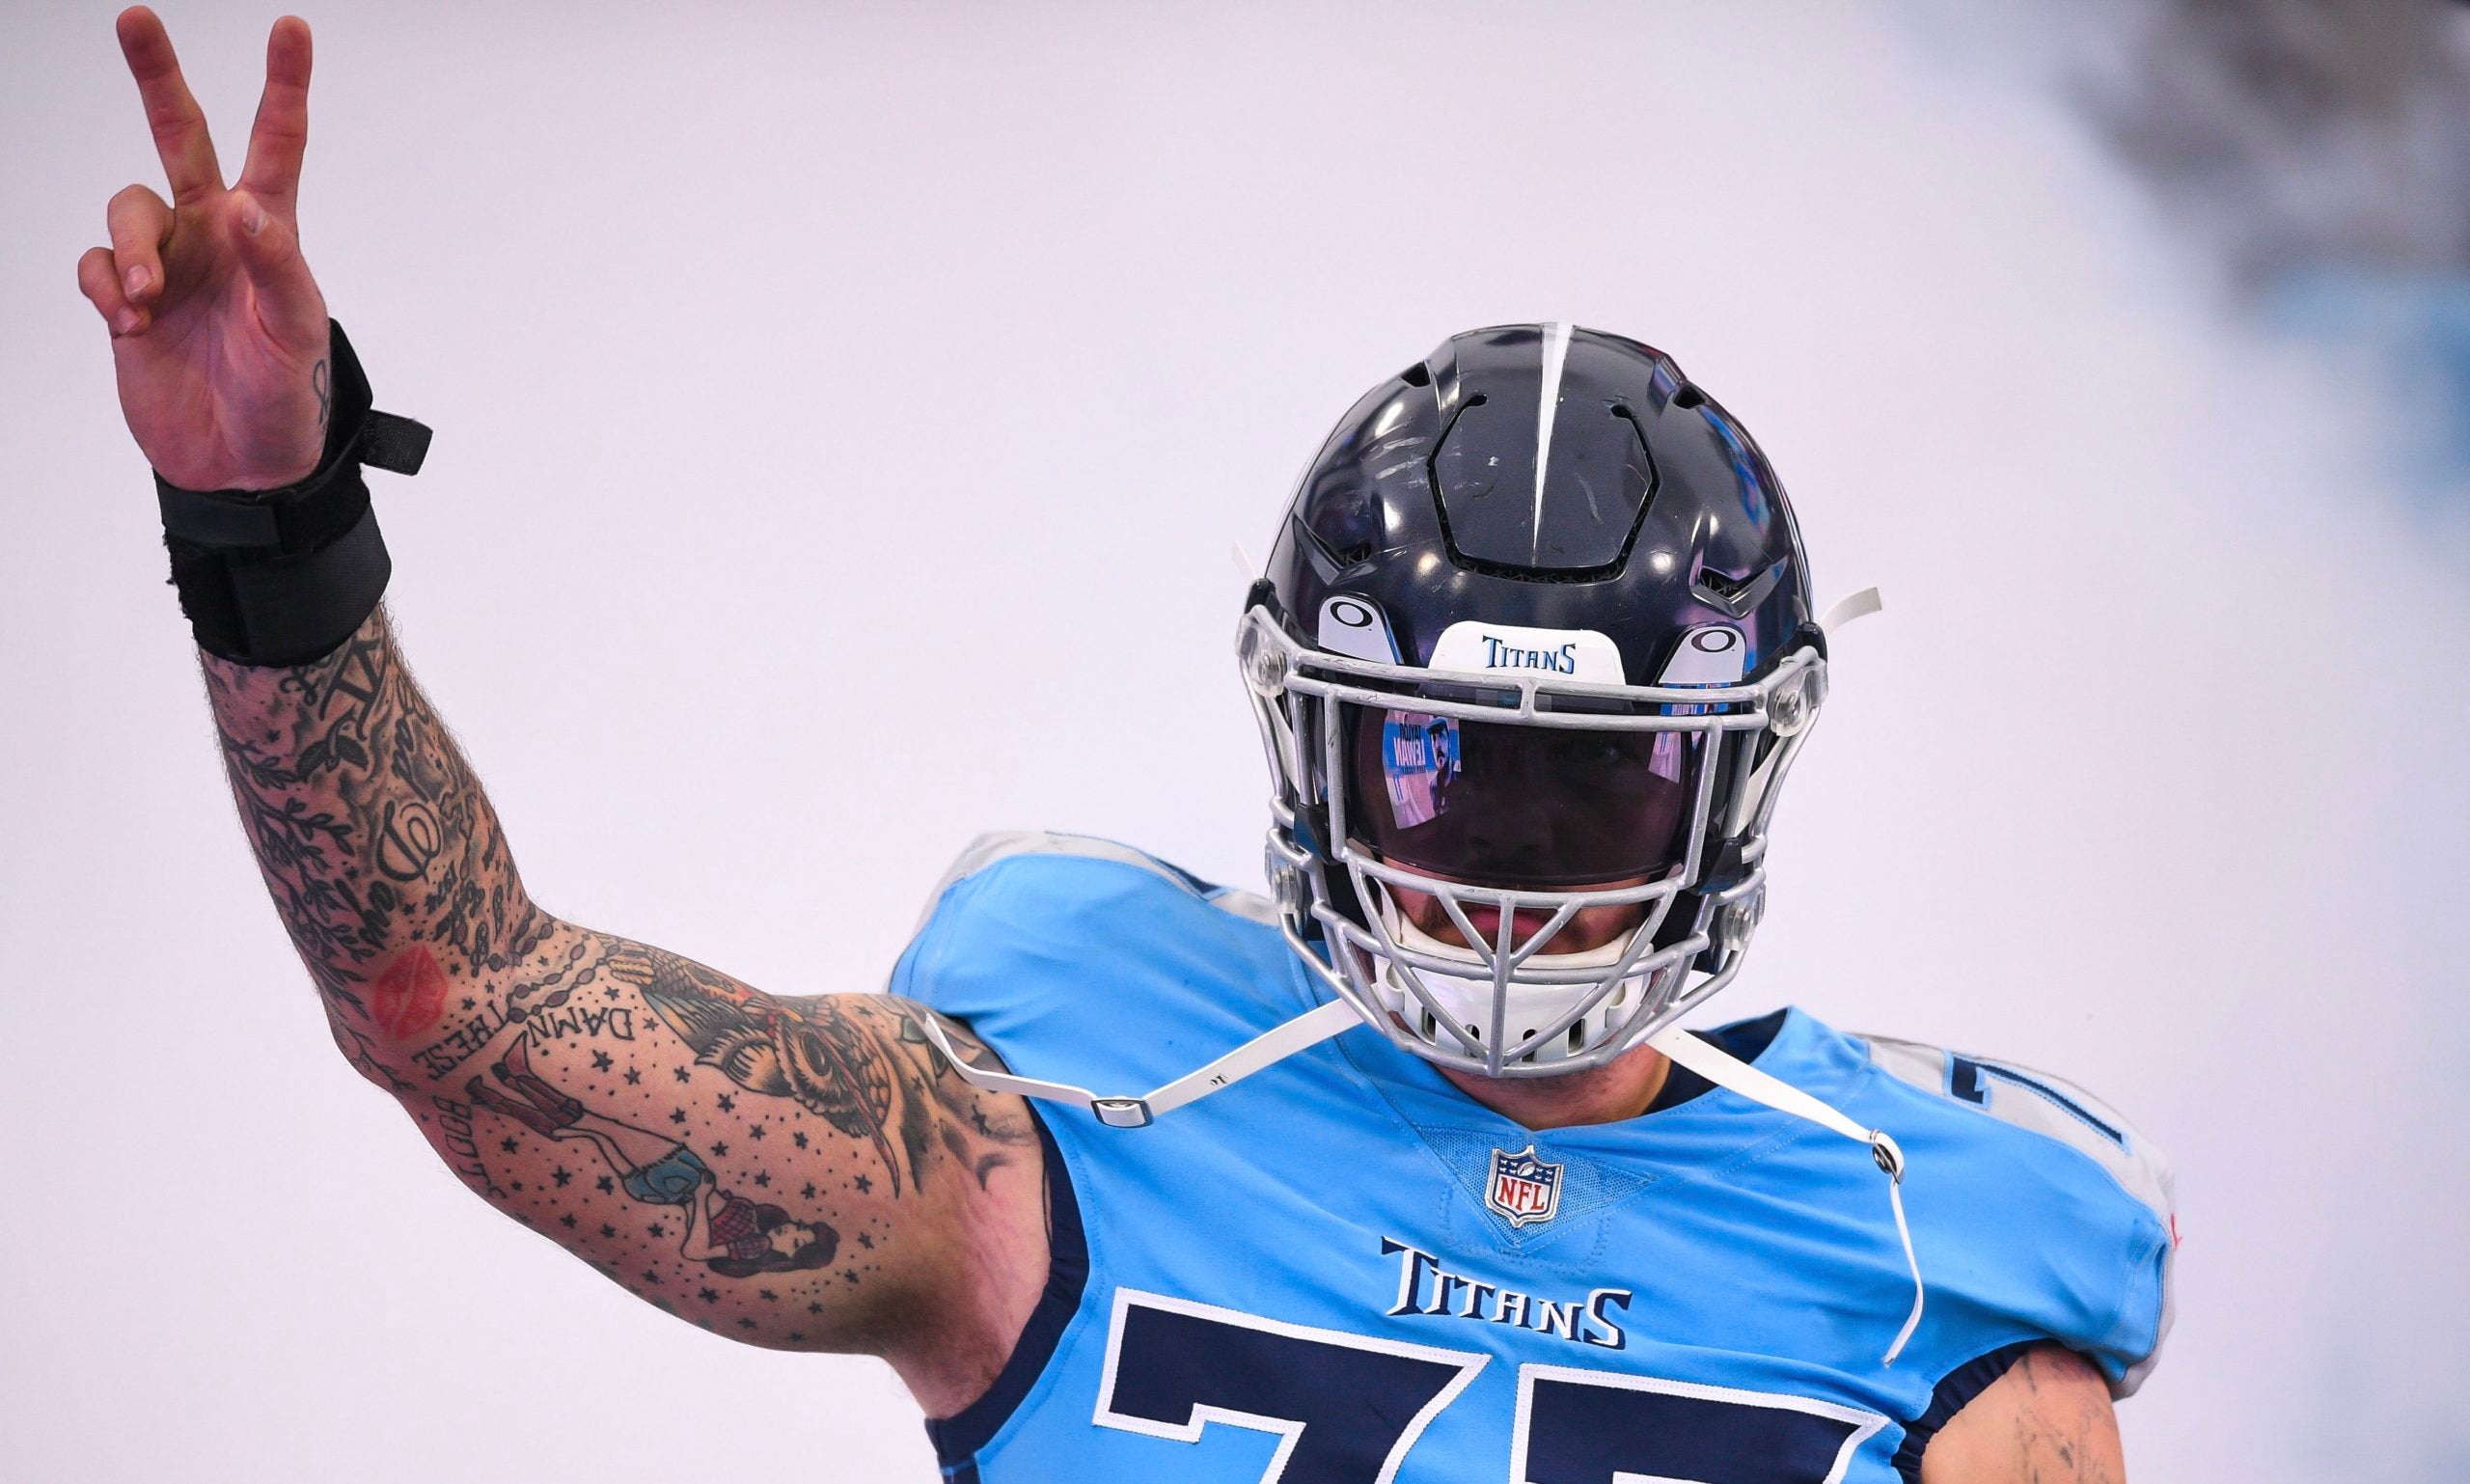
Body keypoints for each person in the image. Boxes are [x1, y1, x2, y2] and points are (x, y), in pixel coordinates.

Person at [82, 11, 2175, 1481]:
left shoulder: (1941, 1236)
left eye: (1590, 783)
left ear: (1731, 774)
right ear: (1311, 743)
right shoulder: (1068, 1098)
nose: (1503, 876)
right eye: (1434, 768)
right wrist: (274, 530)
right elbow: (455, 1004)